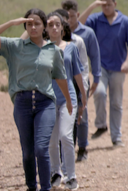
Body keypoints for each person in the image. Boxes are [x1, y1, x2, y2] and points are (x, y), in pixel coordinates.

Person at [0, 9, 73, 191]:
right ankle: (31, 186)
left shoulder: (53, 50)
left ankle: (45, 187)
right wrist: (11, 23)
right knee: (27, 153)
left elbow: (60, 77)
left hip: (45, 103)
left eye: (37, 23)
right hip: (22, 103)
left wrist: (69, 100)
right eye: (29, 24)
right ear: (25, 25)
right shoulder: (16, 46)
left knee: (41, 148)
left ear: (44, 26)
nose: (33, 27)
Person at [79, 0, 128, 147]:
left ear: (115, 4)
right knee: (99, 93)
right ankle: (101, 125)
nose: (106, 7)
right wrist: (92, 7)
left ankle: (116, 137)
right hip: (100, 66)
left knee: (116, 102)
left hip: (119, 67)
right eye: (103, 5)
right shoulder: (96, 20)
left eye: (109, 4)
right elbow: (78, 25)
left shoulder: (124, 21)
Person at [46, 12, 87, 190]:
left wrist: (83, 97)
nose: (54, 27)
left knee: (65, 135)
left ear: (62, 28)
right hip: (48, 99)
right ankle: (56, 172)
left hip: (68, 97)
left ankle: (71, 176)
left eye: (57, 24)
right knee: (51, 140)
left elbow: (77, 73)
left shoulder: (71, 47)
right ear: (46, 29)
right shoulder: (42, 48)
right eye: (50, 25)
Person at [61, 0, 101, 162]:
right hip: (61, 81)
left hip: (79, 81)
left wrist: (95, 78)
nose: (67, 20)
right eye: (64, 17)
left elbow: (93, 58)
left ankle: (82, 148)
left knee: (81, 115)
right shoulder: (55, 37)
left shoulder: (84, 36)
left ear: (76, 15)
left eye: (70, 17)